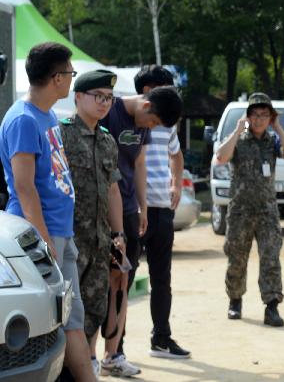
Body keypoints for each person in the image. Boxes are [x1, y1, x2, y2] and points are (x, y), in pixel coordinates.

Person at [0, 43, 96, 382]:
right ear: (56, 78)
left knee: (70, 319)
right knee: (68, 322)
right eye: (70, 73)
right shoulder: (24, 120)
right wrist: (42, 240)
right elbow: (24, 188)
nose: (71, 79)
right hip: (44, 233)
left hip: (59, 230)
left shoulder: (48, 115)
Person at [100, 84, 184, 376]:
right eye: (155, 123)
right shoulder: (109, 111)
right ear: (147, 107)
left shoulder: (143, 124)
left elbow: (138, 163)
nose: (152, 128)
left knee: (122, 280)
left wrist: (143, 207)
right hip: (101, 211)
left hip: (128, 209)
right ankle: (98, 352)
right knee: (103, 283)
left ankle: (113, 353)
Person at [60, 69, 126, 377]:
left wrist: (118, 233)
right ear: (78, 97)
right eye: (98, 96)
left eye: (109, 98)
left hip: (99, 241)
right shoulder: (61, 133)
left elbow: (113, 189)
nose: (104, 103)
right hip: (68, 240)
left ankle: (87, 363)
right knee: (64, 312)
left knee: (95, 307)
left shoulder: (108, 140)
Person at [215, 92, 284, 326]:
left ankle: (271, 307)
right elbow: (221, 157)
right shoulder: (238, 140)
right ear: (247, 116)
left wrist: (278, 127)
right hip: (240, 211)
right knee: (237, 259)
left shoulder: (273, 141)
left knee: (271, 259)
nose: (259, 119)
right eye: (255, 115)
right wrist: (238, 130)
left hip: (267, 212)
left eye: (265, 115)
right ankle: (235, 301)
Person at [134, 65, 191, 359]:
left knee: (162, 279)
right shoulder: (131, 122)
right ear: (147, 91)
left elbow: (176, 154)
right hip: (134, 211)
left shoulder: (166, 124)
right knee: (122, 277)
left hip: (162, 210)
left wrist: (177, 184)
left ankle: (161, 338)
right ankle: (112, 349)